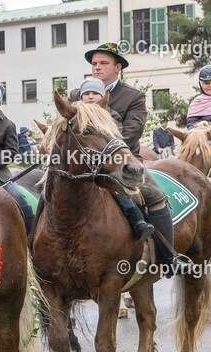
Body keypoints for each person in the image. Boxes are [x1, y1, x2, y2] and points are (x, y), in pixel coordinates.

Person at [72, 45, 190, 276]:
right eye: (94, 63)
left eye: (103, 63)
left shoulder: (133, 96)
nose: (97, 67)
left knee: (154, 195)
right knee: (47, 190)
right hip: (80, 162)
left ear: (118, 68)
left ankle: (168, 257)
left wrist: (103, 150)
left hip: (123, 161)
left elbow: (132, 132)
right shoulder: (78, 94)